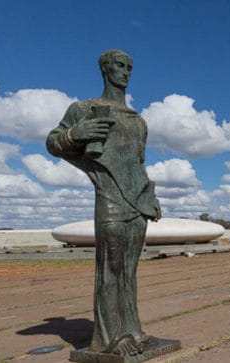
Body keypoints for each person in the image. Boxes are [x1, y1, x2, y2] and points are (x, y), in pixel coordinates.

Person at [46, 50, 162, 356]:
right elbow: (53, 141)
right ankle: (111, 339)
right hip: (109, 198)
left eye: (129, 68)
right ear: (104, 69)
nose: (125, 72)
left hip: (138, 202)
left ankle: (133, 331)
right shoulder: (84, 108)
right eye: (119, 66)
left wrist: (150, 196)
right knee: (111, 269)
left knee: (129, 271)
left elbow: (138, 164)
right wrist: (75, 134)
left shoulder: (138, 121)